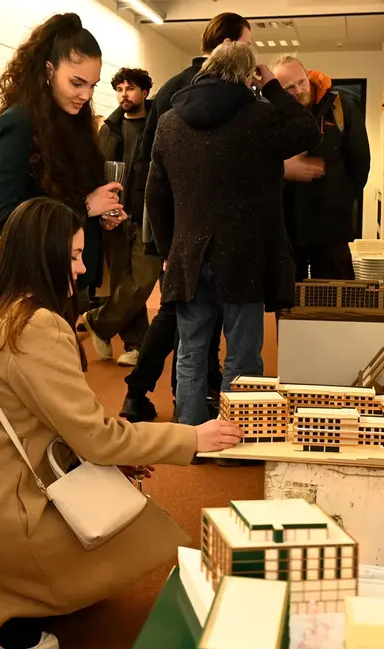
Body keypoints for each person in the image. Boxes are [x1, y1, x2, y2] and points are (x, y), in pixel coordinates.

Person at [0, 198, 242, 649]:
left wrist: (113, 455)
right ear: (43, 258)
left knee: (114, 502)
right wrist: (194, 438)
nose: (82, 267)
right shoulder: (35, 327)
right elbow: (97, 436)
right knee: (125, 528)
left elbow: (59, 427)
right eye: (72, 256)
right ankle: (8, 609)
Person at [146, 41, 320, 430]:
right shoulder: (260, 116)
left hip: (190, 255)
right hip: (245, 258)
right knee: (242, 355)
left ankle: (191, 434)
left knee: (190, 349)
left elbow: (155, 196)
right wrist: (273, 86)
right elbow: (309, 131)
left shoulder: (170, 122)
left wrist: (167, 249)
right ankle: (234, 437)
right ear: (247, 77)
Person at [118, 12, 253, 424]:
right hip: (191, 228)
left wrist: (161, 239)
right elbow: (155, 163)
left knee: (189, 321)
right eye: (247, 42)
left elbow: (149, 164)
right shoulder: (230, 95)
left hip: (177, 228)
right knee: (180, 318)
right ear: (231, 45)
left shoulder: (174, 89)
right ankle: (145, 391)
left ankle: (182, 402)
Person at [0, 12, 125, 322]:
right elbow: (3, 218)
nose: (86, 95)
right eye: (77, 83)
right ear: (48, 70)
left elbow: (65, 199)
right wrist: (85, 207)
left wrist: (99, 217)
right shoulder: (18, 123)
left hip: (68, 287)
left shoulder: (73, 124)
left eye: (92, 85)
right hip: (34, 289)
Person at [84, 67, 161, 366]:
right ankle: (136, 344)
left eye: (130, 89)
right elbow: (95, 171)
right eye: (119, 89)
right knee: (121, 282)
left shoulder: (158, 126)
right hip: (113, 217)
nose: (124, 95)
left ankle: (99, 321)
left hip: (147, 217)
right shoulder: (109, 129)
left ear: (144, 92)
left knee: (142, 280)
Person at [273, 56, 372, 280]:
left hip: (331, 225)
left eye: (300, 82)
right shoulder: (272, 115)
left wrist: (342, 199)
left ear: (308, 76)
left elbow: (360, 163)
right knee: (288, 302)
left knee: (337, 299)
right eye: (288, 87)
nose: (298, 90)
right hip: (288, 227)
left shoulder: (341, 106)